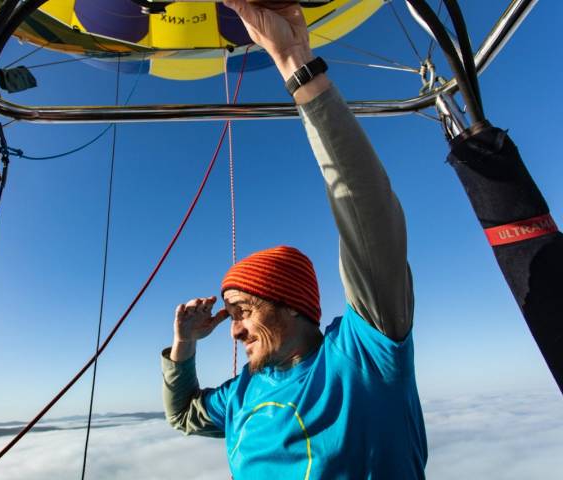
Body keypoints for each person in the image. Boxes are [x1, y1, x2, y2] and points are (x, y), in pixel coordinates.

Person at [161, 1, 427, 478]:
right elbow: (182, 416)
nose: (235, 329)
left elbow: (367, 208)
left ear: (290, 305)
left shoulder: (362, 358)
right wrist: (183, 345)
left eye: (242, 311)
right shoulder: (242, 391)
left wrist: (293, 63)